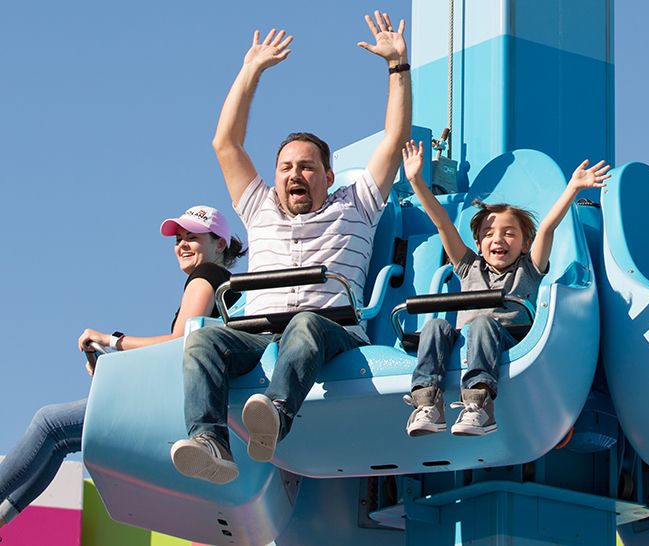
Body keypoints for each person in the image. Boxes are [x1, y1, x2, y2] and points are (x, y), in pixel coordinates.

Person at [170, 11, 411, 484]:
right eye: (284, 167)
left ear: (328, 175)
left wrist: (397, 68)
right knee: (203, 339)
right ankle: (210, 441)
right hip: (258, 331)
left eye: (305, 167)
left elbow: (395, 137)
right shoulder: (260, 208)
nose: (293, 175)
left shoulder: (357, 202)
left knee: (304, 324)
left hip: (329, 330)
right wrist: (250, 71)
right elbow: (225, 142)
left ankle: (276, 415)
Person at [0, 206, 243, 529]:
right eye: (179, 239)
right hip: (188, 405)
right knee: (61, 438)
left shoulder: (208, 276)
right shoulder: (226, 283)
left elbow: (178, 343)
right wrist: (117, 365)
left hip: (176, 408)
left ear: (220, 244)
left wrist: (112, 340)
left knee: (49, 423)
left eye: (193, 238)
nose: (182, 245)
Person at [400, 139, 610, 437]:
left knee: (484, 323)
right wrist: (416, 181)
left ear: (525, 244)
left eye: (509, 234)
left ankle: (479, 405)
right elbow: (443, 223)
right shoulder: (469, 266)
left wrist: (572, 189)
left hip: (507, 338)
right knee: (434, 325)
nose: (498, 239)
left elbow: (548, 226)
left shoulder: (528, 267)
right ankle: (426, 404)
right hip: (467, 341)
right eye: (489, 234)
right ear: (478, 244)